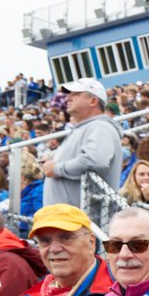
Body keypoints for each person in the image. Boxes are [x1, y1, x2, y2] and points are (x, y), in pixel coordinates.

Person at [42, 78, 123, 208]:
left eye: (76, 94)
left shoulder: (100, 127)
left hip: (80, 221)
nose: (68, 98)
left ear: (93, 101)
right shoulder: (87, 127)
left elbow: (95, 161)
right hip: (68, 219)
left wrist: (57, 168)